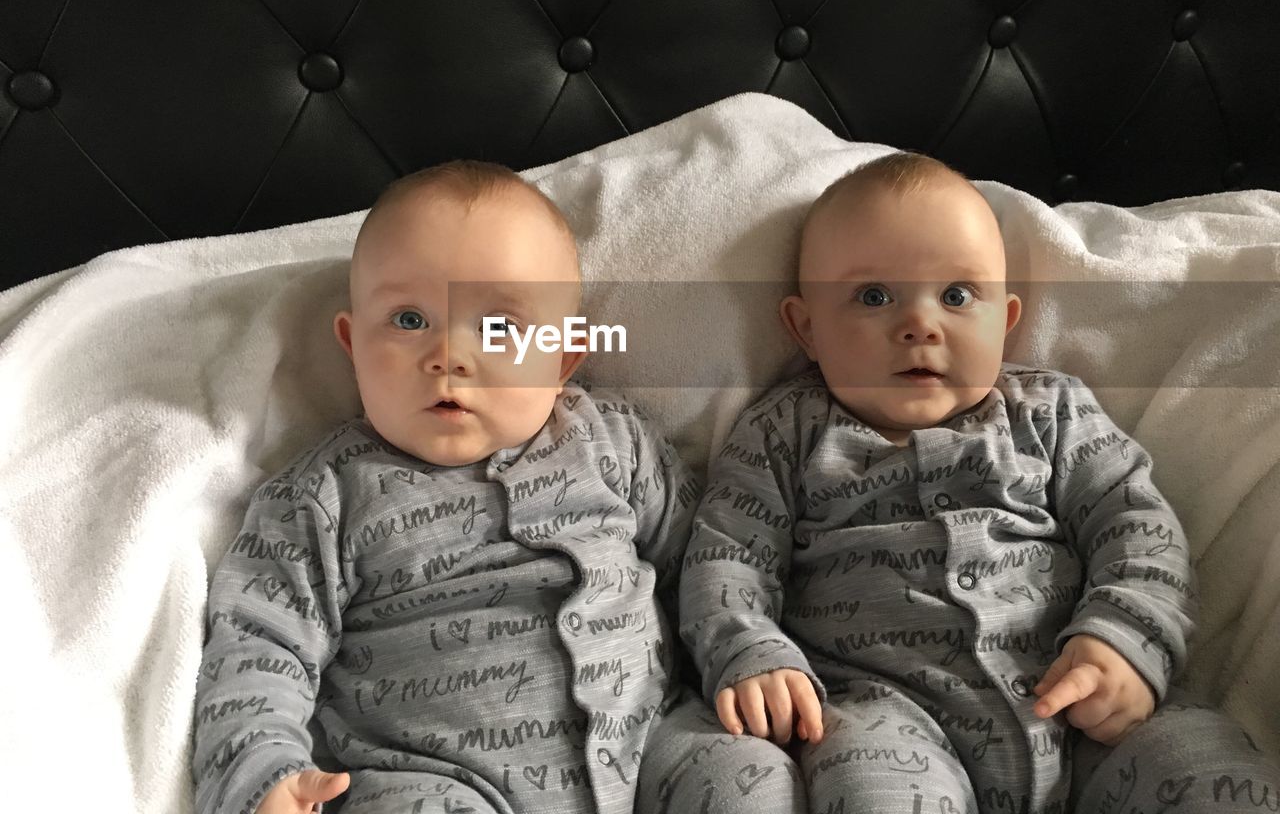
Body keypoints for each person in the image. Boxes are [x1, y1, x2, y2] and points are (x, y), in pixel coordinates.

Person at [649, 152, 1280, 814]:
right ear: (806, 327)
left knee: (1203, 765)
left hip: (1078, 701)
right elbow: (728, 558)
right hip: (881, 716)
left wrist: (1125, 640)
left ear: (1004, 321)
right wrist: (752, 652)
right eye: (873, 297)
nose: (920, 325)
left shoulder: (1051, 412)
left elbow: (1136, 526)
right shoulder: (783, 432)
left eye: (956, 296)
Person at [192, 160, 698, 814]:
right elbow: (258, 646)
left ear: (564, 358)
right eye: (408, 320)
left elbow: (706, 561)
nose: (449, 355)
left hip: (652, 746)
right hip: (442, 782)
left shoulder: (612, 443)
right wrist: (262, 773)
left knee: (745, 768)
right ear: (353, 344)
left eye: (499, 327)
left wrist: (746, 656)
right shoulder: (324, 495)